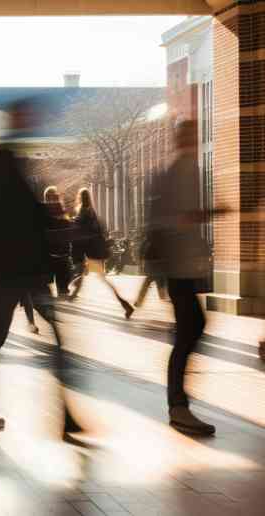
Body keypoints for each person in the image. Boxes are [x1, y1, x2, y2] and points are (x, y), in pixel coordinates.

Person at [0, 98, 72, 430]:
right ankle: (66, 415)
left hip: (13, 267)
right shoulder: (5, 165)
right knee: (18, 334)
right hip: (19, 267)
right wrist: (53, 219)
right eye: (26, 116)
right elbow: (16, 216)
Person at [150, 119, 220, 435]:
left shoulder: (185, 169)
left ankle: (178, 403)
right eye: (189, 134)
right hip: (178, 266)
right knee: (190, 329)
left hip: (182, 265)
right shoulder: (179, 171)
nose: (194, 138)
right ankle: (178, 405)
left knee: (189, 329)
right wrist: (210, 214)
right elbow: (173, 219)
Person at [68, 188, 135, 319]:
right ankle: (126, 305)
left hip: (90, 254)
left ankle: (72, 295)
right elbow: (102, 231)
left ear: (80, 198)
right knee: (93, 277)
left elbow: (80, 235)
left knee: (90, 277)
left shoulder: (83, 214)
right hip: (96, 253)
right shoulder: (92, 214)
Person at [43, 186, 72, 297]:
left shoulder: (43, 213)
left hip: (50, 256)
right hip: (59, 255)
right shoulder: (62, 212)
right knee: (62, 289)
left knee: (48, 290)